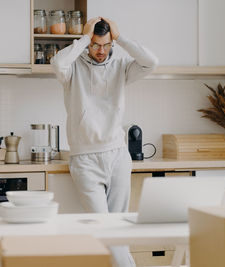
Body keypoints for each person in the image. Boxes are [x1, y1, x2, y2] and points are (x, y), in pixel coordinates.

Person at [51, 17, 158, 266]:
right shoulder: (72, 68)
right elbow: (57, 63)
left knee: (116, 231)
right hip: (84, 159)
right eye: (95, 45)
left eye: (106, 45)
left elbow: (152, 62)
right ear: (88, 43)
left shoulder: (121, 66)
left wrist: (120, 37)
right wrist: (83, 39)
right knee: (105, 229)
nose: (101, 51)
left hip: (118, 156)